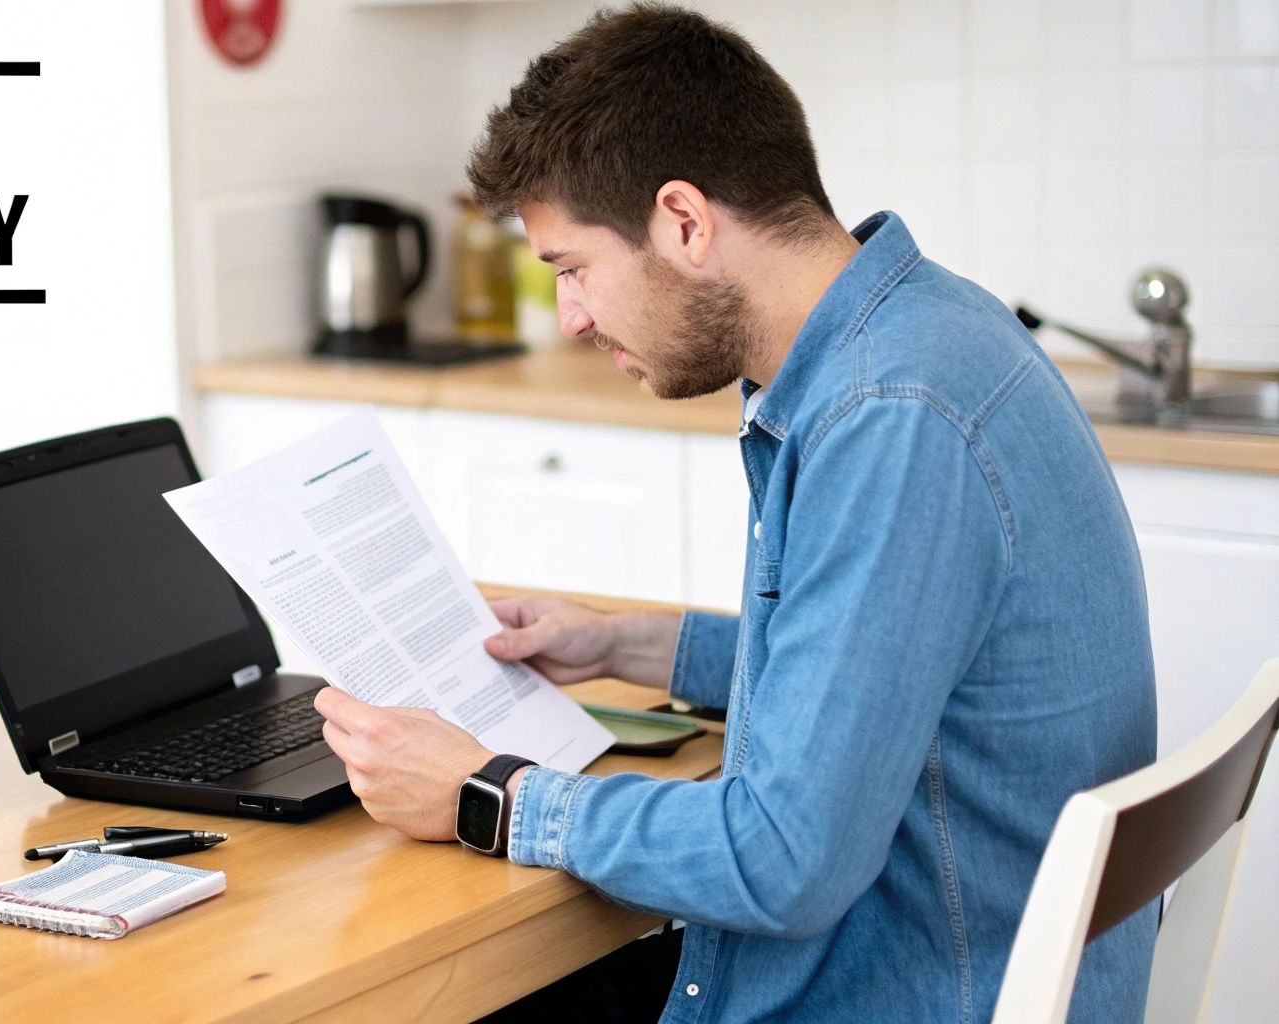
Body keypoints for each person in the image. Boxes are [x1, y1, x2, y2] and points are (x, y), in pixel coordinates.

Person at [310, 4, 1159, 1022]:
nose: (570, 317)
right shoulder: (923, 331)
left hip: (913, 985)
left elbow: (782, 862)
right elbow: (883, 671)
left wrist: (485, 793)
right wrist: (629, 641)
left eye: (571, 267)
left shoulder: (885, 418)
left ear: (682, 220)